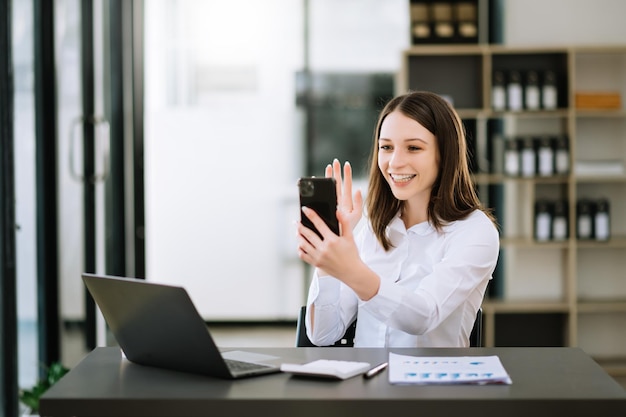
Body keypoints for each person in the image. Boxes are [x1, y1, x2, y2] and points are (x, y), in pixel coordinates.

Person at [296, 91, 499, 348]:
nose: (395, 162)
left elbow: (423, 316)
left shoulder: (475, 232)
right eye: (386, 147)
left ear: (444, 154)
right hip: (367, 384)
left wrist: (351, 270)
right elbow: (322, 334)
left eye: (413, 148)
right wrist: (327, 258)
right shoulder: (373, 227)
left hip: (435, 384)